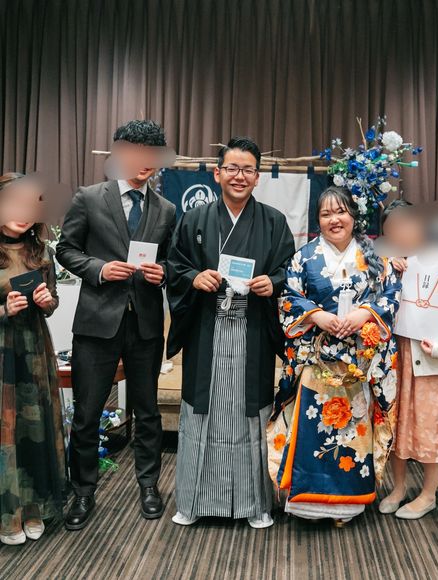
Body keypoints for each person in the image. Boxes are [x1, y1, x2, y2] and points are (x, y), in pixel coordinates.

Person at [167, 136, 294, 529]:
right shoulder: (195, 219)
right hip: (206, 328)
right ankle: (192, 501)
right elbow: (174, 265)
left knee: (249, 414)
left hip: (252, 329)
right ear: (217, 173)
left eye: (248, 170)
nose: (240, 176)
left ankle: (255, 504)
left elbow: (289, 270)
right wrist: (194, 277)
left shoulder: (273, 222)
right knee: (201, 412)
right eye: (233, 168)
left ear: (258, 177)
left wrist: (273, 283)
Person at [56, 120, 176, 530]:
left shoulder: (166, 209)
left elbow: (172, 261)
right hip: (96, 324)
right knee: (88, 413)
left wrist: (163, 271)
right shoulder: (89, 197)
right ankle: (82, 492)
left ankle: (149, 486)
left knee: (148, 412)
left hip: (145, 326)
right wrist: (99, 269)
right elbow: (66, 249)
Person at [268, 186, 400, 526]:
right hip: (318, 358)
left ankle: (347, 505)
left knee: (354, 431)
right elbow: (288, 297)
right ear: (318, 220)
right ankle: (309, 504)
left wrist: (365, 313)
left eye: (340, 212)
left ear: (353, 216)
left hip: (358, 359)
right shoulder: (305, 257)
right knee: (314, 428)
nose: (334, 220)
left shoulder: (374, 255)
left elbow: (391, 294)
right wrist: (317, 316)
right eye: (326, 214)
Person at [379, 200, 438, 520]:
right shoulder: (387, 266)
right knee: (397, 423)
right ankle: (398, 487)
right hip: (396, 358)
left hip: (431, 357)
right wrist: (388, 271)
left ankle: (429, 494)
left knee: (433, 425)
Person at [0, 173, 65, 545]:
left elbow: (52, 302)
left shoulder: (41, 252)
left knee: (33, 427)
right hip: (2, 352)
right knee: (4, 430)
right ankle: (8, 513)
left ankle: (34, 506)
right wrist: (3, 309)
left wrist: (46, 301)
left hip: (34, 350)